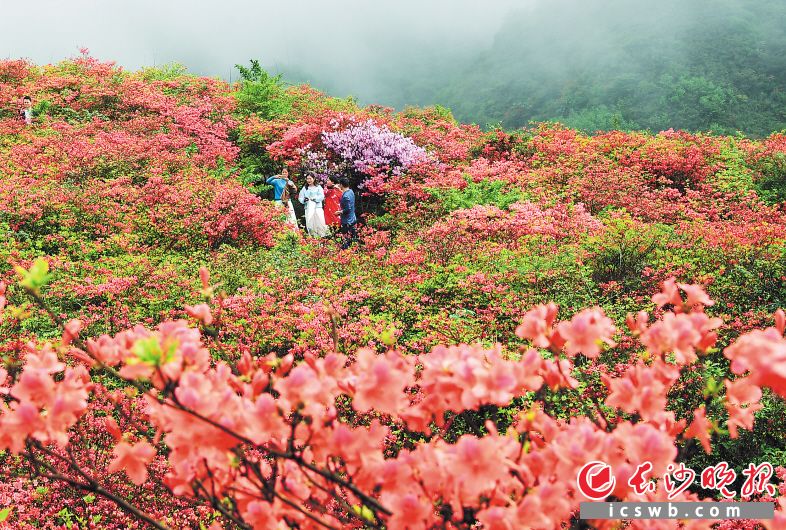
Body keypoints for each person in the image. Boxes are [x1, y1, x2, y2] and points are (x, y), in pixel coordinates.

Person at [334, 177, 358, 249]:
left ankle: (346, 253)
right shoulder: (351, 191)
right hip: (353, 219)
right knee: (353, 238)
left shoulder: (345, 196)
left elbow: (348, 209)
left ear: (341, 185)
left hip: (347, 221)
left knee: (346, 240)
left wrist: (339, 212)